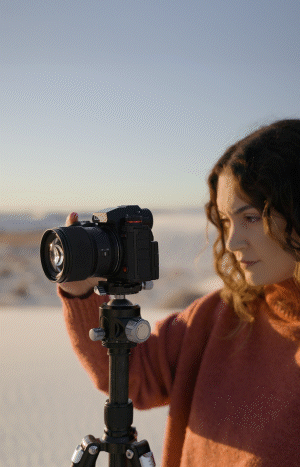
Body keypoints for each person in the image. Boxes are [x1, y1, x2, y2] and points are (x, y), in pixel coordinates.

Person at [58, 119, 300, 467]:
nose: (232, 242)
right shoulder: (219, 316)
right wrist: (81, 295)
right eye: (226, 221)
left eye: (249, 218)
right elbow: (134, 377)